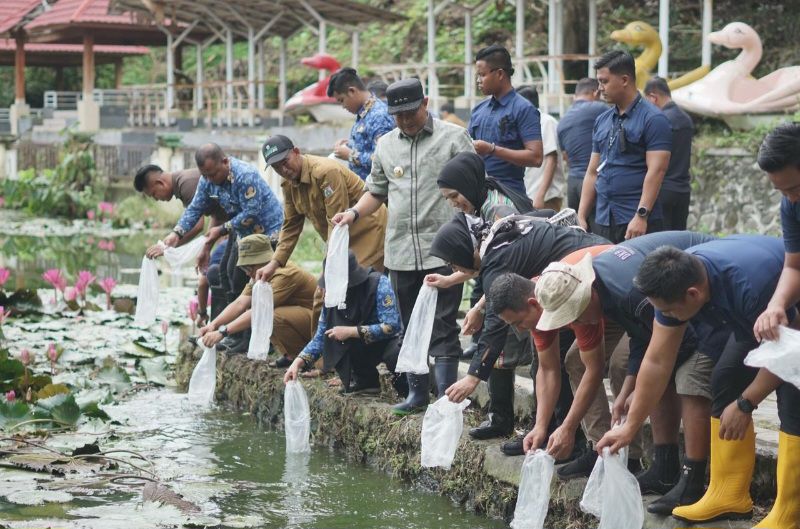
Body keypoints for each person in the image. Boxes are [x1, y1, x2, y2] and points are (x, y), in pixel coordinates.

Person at [598, 235, 800, 526]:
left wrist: (746, 403)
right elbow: (657, 360)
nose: (665, 316)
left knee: (792, 399)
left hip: (788, 317)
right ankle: (728, 494)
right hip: (755, 320)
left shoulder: (747, 287)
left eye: (667, 311)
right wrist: (629, 427)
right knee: (724, 379)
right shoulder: (674, 283)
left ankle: (790, 513)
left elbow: (791, 353)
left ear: (693, 295)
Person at [507, 231, 716, 510]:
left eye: (578, 315)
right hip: (674, 300)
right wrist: (628, 389)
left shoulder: (629, 292)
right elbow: (642, 338)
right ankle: (665, 469)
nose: (579, 323)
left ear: (588, 294)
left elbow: (674, 348)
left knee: (687, 376)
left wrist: (632, 418)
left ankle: (692, 479)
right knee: (649, 372)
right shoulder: (602, 293)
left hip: (704, 288)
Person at [332, 78, 474, 416]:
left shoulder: (453, 138)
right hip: (400, 251)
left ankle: (447, 397)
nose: (406, 121)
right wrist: (353, 213)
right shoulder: (385, 145)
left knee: (442, 324)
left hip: (443, 248)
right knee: (409, 324)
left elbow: (474, 188)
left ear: (425, 102)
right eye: (399, 116)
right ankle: (416, 394)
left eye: (411, 113)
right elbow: (376, 191)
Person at [432, 213, 608, 454]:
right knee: (558, 364)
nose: (518, 329)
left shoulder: (499, 256)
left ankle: (580, 441)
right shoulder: (496, 240)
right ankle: (565, 437)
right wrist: (477, 306)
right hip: (566, 280)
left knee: (584, 363)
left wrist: (474, 376)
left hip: (589, 280)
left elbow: (495, 324)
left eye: (453, 264)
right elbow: (499, 284)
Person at [164, 143, 284, 352]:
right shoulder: (207, 180)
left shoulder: (244, 175)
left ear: (225, 162)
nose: (210, 179)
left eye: (213, 173)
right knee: (225, 273)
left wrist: (221, 229)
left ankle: (252, 337)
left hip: (266, 230)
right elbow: (195, 208)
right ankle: (233, 334)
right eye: (205, 175)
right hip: (242, 232)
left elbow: (252, 212)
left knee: (249, 281)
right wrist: (177, 233)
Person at [749, 123, 800, 529]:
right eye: (781, 191)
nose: (789, 199)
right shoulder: (792, 203)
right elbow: (794, 264)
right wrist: (778, 304)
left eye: (794, 188)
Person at [577, 50, 671, 243]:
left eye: (604, 81)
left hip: (635, 221)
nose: (599, 88)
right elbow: (593, 172)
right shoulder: (602, 120)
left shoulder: (653, 119)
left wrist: (641, 216)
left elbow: (657, 171)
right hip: (603, 218)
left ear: (625, 80)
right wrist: (581, 215)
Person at [284, 251, 403, 396]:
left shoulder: (378, 283)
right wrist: (297, 362)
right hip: (360, 348)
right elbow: (321, 336)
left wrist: (352, 331)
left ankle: (407, 393)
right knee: (338, 339)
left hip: (387, 342)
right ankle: (365, 382)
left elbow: (392, 326)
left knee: (396, 353)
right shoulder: (331, 297)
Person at [199, 234, 316, 360]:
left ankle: (305, 357)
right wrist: (214, 325)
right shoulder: (260, 273)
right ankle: (290, 355)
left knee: (271, 315)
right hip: (303, 320)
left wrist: (223, 332)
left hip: (317, 325)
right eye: (244, 267)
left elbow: (258, 312)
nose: (247, 272)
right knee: (270, 314)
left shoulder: (283, 274)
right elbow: (240, 303)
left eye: (249, 267)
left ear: (264, 260)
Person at [468, 44, 543, 196]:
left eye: (482, 75)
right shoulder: (478, 110)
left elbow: (536, 158)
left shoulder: (524, 109)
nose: (478, 80)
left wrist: (492, 150)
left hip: (509, 194)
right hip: (477, 193)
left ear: (500, 74)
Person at [328, 68, 396, 181]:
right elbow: (367, 144)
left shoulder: (379, 115)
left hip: (376, 192)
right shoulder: (364, 113)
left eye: (341, 100)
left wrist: (351, 155)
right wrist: (348, 144)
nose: (343, 106)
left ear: (352, 91)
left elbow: (383, 159)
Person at [644, 77, 694, 230]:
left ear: (653, 97)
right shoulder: (686, 119)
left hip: (662, 190)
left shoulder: (660, 121)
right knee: (678, 244)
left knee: (660, 245)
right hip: (682, 190)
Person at [557, 77, 607, 210]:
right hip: (593, 183)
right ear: (595, 92)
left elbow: (565, 156)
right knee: (598, 230)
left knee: (578, 228)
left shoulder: (563, 120)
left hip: (573, 183)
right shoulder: (599, 108)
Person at [518, 85, 565, 211]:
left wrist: (540, 195)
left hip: (546, 198)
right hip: (530, 195)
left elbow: (552, 159)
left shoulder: (546, 121)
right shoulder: (526, 123)